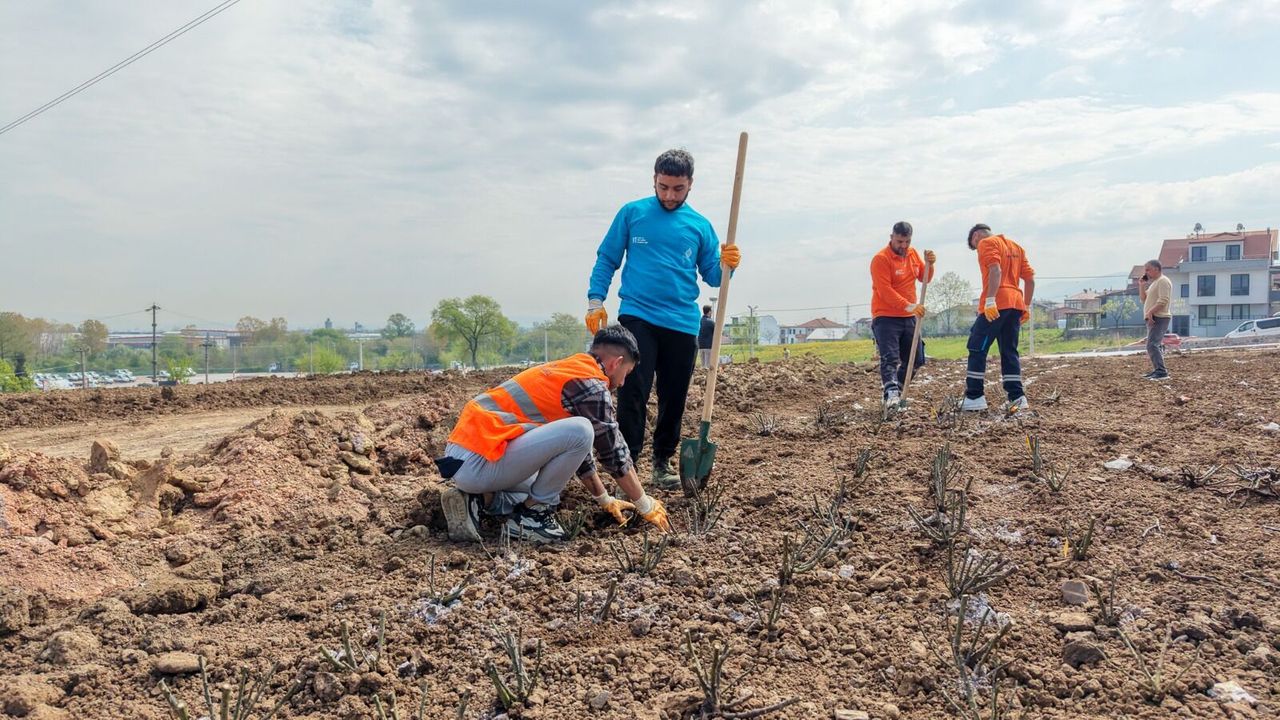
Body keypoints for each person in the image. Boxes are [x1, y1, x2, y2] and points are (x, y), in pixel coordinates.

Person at [585, 149, 741, 490]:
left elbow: (714, 277)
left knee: (675, 395)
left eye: (678, 188)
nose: (670, 195)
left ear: (690, 185)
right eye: (663, 187)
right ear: (654, 180)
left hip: (683, 322)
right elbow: (607, 258)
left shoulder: (699, 226)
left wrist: (728, 263)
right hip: (638, 315)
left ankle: (662, 462)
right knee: (632, 391)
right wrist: (595, 300)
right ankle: (626, 464)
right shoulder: (632, 213)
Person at [435, 325, 671, 544]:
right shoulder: (592, 385)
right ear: (616, 363)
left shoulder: (569, 370)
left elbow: (577, 456)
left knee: (551, 491)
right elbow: (612, 451)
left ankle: (479, 501)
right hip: (480, 460)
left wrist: (604, 499)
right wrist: (644, 503)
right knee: (580, 432)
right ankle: (531, 518)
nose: (622, 382)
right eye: (626, 372)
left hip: (467, 457)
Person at [961, 224, 1035, 412]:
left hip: (997, 304)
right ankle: (1017, 397)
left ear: (976, 236)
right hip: (1015, 304)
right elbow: (1030, 279)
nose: (977, 250)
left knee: (977, 347)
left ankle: (974, 397)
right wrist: (1026, 306)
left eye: (974, 246)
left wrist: (990, 300)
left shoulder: (986, 243)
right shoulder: (1016, 247)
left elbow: (995, 270)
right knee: (1009, 351)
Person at [870, 221, 935, 408]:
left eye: (907, 241)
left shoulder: (913, 254)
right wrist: (908, 306)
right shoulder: (881, 259)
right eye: (899, 241)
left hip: (909, 316)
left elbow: (925, 277)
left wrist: (930, 264)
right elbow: (885, 291)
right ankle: (890, 394)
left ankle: (897, 388)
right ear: (891, 238)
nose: (903, 246)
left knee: (917, 358)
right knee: (890, 357)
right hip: (886, 316)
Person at [1137, 259, 1172, 380]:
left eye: (1148, 269)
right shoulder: (1155, 283)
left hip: (1159, 317)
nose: (1146, 272)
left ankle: (1161, 372)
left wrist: (1151, 312)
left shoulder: (1163, 281)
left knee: (1152, 345)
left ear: (1156, 269)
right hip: (1153, 317)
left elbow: (1163, 300)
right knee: (1153, 345)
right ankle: (1158, 370)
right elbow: (1143, 299)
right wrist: (1142, 285)